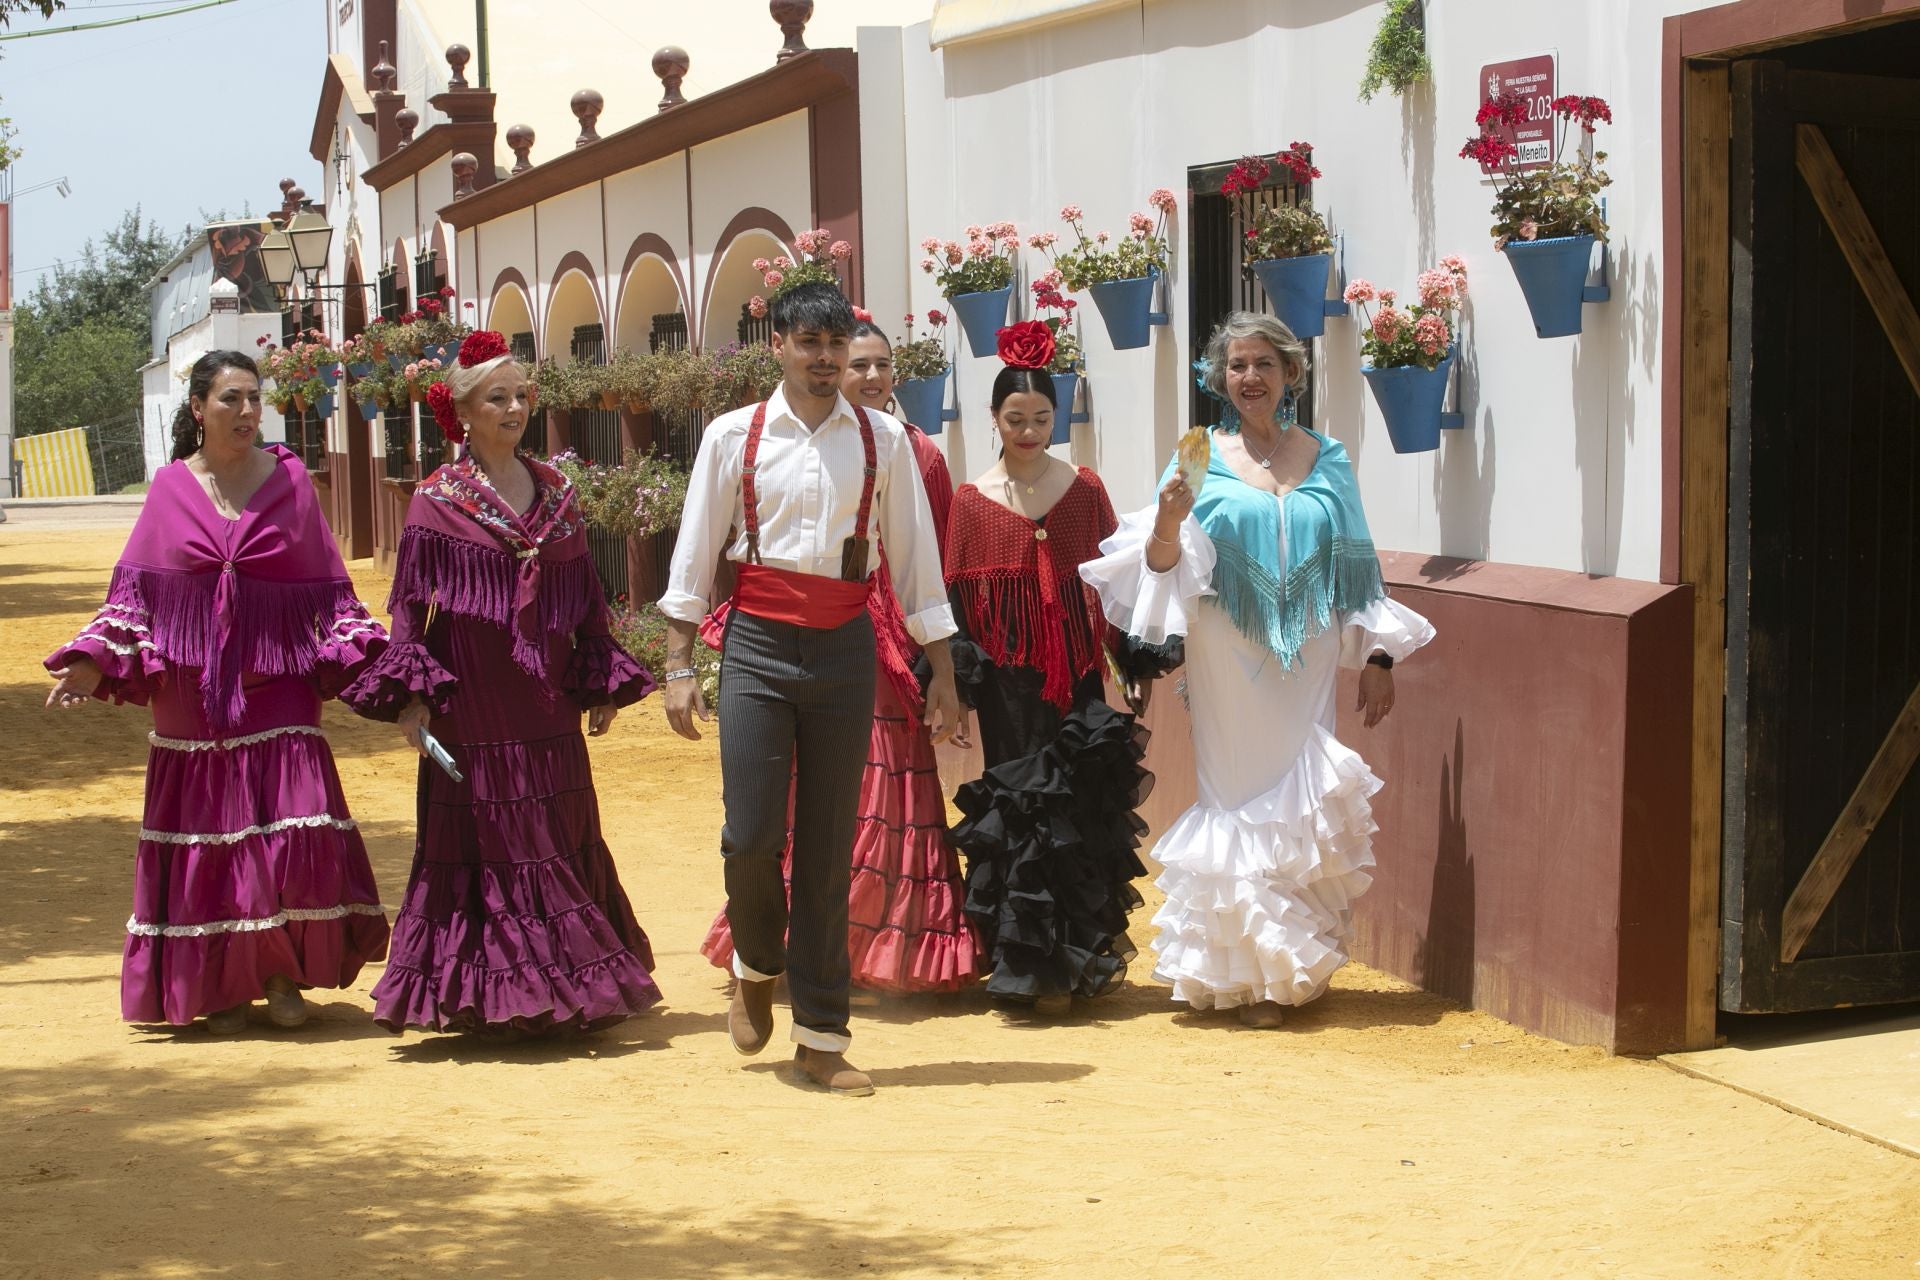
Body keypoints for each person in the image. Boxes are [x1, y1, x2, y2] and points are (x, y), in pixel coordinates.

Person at [1080, 311, 1435, 1028]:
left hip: (1306, 651)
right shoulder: (1196, 455)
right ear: (1219, 378)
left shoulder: (1329, 457)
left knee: (1303, 796)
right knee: (1238, 796)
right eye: (1236, 365)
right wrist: (1169, 523)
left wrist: (1378, 655)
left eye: (1263, 364)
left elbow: (1357, 565)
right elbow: (1155, 567)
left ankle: (1292, 967)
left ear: (1289, 375)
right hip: (1225, 648)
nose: (1249, 377)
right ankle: (1246, 977)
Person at [661, 283, 962, 1096]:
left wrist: (944, 670)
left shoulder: (885, 441)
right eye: (810, 343)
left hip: (844, 644)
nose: (826, 360)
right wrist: (679, 662)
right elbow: (695, 551)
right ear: (779, 347)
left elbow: (916, 559)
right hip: (756, 642)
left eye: (837, 346)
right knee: (752, 833)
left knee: (828, 847)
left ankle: (821, 1039)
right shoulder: (734, 437)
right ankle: (757, 960)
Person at [44, 350, 390, 1033]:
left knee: (293, 827)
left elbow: (330, 591)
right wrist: (91, 663)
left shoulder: (291, 483)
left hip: (280, 684)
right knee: (215, 836)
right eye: (230, 399)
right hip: (191, 689)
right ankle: (224, 983)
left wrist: (386, 674)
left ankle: (281, 974)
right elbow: (135, 593)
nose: (246, 412)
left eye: (254, 399)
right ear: (198, 409)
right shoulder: (171, 487)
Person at [341, 330, 662, 1036]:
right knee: (487, 838)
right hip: (472, 703)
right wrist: (412, 700)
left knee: (551, 831)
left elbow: (586, 596)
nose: (516, 407)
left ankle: (564, 991)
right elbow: (409, 609)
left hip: (545, 700)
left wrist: (600, 679)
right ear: (463, 411)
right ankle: (493, 998)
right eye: (499, 397)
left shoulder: (557, 491)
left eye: (522, 394)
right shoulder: (435, 500)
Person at [697, 320, 984, 997]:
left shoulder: (916, 453)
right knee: (790, 809)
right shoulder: (766, 439)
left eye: (884, 365)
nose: (874, 377)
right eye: (860, 365)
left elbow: (928, 565)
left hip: (886, 649)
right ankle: (785, 948)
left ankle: (880, 952)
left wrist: (942, 667)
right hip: (812, 633)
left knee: (891, 793)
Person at [941, 321, 1164, 1017]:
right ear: (994, 419)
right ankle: (1021, 968)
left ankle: (1077, 962)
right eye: (1016, 419)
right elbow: (951, 604)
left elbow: (1115, 585)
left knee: (1078, 812)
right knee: (1019, 814)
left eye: (1042, 418)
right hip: (1010, 694)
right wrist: (954, 687)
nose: (1030, 431)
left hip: (1077, 683)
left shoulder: (1085, 490)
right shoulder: (970, 503)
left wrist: (1132, 660)